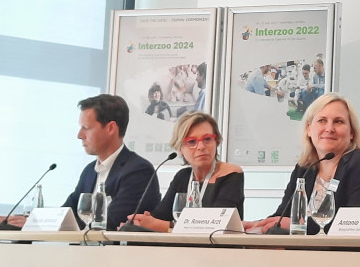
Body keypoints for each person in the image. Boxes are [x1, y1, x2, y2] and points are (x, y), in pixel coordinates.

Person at [244, 93, 360, 234]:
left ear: (352, 132)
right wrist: (257, 225)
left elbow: (356, 225)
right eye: (322, 121)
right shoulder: (304, 169)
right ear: (309, 129)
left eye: (338, 121)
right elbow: (283, 216)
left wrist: (300, 225)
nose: (329, 129)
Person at [124, 112, 244, 232]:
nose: (201, 146)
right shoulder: (183, 177)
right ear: (180, 149)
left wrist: (165, 226)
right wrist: (142, 222)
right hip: (183, 248)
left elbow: (218, 226)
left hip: (219, 249)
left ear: (216, 142)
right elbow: (160, 216)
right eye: (192, 142)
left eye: (207, 139)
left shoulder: (231, 174)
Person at [63, 94, 160, 230]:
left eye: (86, 128)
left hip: (117, 250)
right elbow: (67, 214)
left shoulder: (139, 171)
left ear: (110, 128)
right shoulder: (89, 171)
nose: (80, 135)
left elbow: (111, 222)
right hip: (85, 249)